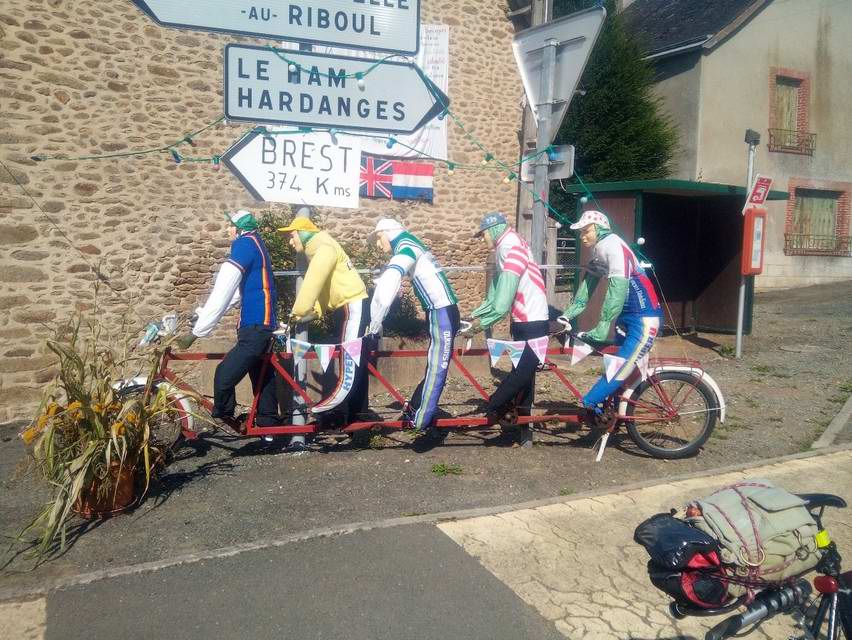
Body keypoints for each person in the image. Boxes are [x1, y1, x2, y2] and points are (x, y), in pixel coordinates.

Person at [175, 209, 280, 427]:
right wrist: (203, 315)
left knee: (224, 374)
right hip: (261, 324)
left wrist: (197, 332)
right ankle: (268, 424)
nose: (227, 229)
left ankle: (226, 414)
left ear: (239, 228)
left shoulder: (244, 246)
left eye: (230, 225)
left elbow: (223, 291)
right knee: (262, 375)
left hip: (255, 327)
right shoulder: (256, 244)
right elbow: (236, 294)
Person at [561, 210, 663, 414]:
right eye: (580, 232)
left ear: (599, 228)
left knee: (620, 367)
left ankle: (591, 402)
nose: (582, 236)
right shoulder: (598, 249)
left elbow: (617, 291)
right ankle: (613, 411)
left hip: (643, 318)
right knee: (617, 364)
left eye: (586, 231)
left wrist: (601, 328)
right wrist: (569, 313)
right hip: (627, 318)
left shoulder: (613, 246)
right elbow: (588, 286)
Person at [368, 218, 460, 438]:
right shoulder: (410, 243)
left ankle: (420, 420)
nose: (379, 245)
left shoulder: (406, 246)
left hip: (441, 311)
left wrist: (375, 321)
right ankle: (417, 407)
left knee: (438, 367)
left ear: (389, 232)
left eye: (379, 238)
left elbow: (392, 278)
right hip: (443, 310)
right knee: (435, 366)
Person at [277, 215, 370, 422]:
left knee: (349, 360)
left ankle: (333, 407)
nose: (291, 242)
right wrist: (315, 311)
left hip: (351, 305)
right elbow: (324, 288)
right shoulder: (320, 246)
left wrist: (297, 313)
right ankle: (357, 418)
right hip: (347, 305)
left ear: (303, 233)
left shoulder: (322, 247)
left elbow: (313, 282)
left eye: (292, 236)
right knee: (355, 361)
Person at [461, 212, 549, 425]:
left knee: (522, 372)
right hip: (524, 318)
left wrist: (476, 327)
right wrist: (474, 315)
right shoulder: (508, 244)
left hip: (532, 317)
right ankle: (522, 424)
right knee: (525, 377)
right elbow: (495, 294)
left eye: (483, 235)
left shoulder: (510, 246)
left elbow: (501, 303)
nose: (483, 240)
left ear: (493, 229)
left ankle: (493, 406)